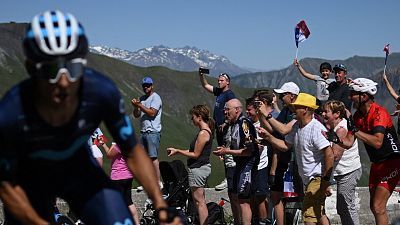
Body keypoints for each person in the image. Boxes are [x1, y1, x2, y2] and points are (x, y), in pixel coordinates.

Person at [0, 10, 179, 225]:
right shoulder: (12, 110)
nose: (64, 81)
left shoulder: (99, 92)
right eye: (51, 70)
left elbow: (132, 151)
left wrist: (161, 206)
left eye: (73, 68)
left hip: (79, 169)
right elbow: (7, 186)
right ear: (31, 68)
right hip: (31, 178)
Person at [258, 93, 334, 225]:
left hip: (316, 178)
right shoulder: (297, 126)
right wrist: (268, 138)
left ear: (305, 109)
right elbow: (285, 145)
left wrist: (326, 180)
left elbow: (329, 153)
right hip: (307, 178)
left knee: (308, 215)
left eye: (297, 107)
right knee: (318, 212)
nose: (293, 109)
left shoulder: (316, 128)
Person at [337, 78, 400, 225]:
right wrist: (335, 139)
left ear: (364, 96)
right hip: (377, 164)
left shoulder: (379, 113)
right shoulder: (358, 116)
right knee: (374, 207)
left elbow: (377, 142)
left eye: (353, 93)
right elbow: (349, 142)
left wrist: (354, 130)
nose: (349, 96)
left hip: (392, 162)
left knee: (378, 207)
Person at [256, 82, 299, 225]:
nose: (280, 98)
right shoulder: (286, 110)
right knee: (276, 195)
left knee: (298, 197)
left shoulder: (298, 111)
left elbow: (284, 130)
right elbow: (272, 129)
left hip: (294, 159)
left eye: (283, 95)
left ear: (292, 96)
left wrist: (266, 116)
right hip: (283, 157)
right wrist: (261, 114)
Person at [213, 99, 259, 225]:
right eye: (225, 109)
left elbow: (249, 151)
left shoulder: (244, 124)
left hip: (247, 165)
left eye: (228, 109)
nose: (225, 112)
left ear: (237, 110)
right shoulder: (233, 124)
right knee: (240, 198)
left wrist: (226, 151)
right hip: (239, 164)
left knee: (244, 200)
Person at [166, 105, 214, 225]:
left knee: (199, 202)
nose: (191, 119)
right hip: (201, 168)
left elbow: (195, 154)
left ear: (199, 117)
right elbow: (194, 151)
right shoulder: (205, 131)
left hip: (198, 169)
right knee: (199, 200)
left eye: (193, 117)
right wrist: (178, 150)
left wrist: (178, 151)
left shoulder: (203, 133)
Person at [322, 100, 362, 225]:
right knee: (343, 208)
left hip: (348, 171)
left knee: (346, 207)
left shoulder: (341, 129)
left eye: (326, 111)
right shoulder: (335, 128)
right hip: (343, 171)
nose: (323, 114)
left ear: (337, 114)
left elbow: (335, 155)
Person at [198, 69, 236, 191]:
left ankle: (230, 180)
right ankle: (228, 178)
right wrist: (201, 75)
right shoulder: (219, 92)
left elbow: (234, 110)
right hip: (219, 128)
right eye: (218, 80)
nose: (219, 82)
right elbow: (205, 85)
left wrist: (226, 122)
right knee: (223, 154)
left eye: (222, 80)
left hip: (227, 128)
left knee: (228, 154)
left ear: (228, 82)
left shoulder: (229, 94)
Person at [131, 76, 163, 191]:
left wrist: (139, 105)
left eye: (148, 85)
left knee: (153, 157)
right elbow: (136, 115)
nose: (146, 88)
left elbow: (152, 113)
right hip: (143, 131)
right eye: (144, 86)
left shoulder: (156, 98)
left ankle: (158, 182)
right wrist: (136, 107)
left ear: (152, 86)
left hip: (153, 131)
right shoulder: (142, 98)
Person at [100, 139, 140, 225]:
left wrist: (108, 144)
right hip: (128, 175)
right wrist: (104, 144)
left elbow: (109, 155)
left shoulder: (120, 144)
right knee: (128, 201)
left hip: (118, 177)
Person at [245, 97, 271, 225]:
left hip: (261, 164)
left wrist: (254, 143)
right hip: (250, 165)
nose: (247, 112)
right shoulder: (247, 124)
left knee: (260, 197)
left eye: (249, 110)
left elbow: (264, 144)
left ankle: (263, 221)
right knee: (252, 197)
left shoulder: (261, 124)